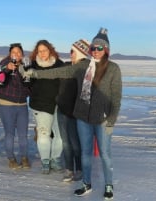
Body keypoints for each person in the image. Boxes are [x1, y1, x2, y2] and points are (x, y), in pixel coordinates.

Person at [20, 28, 122, 200]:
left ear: (106, 50)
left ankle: (109, 184)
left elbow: (116, 98)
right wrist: (35, 73)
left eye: (100, 48)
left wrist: (111, 120)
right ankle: (86, 183)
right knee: (85, 153)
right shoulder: (82, 66)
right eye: (94, 48)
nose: (96, 51)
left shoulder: (113, 69)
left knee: (105, 153)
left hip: (102, 119)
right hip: (82, 117)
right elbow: (58, 72)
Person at [27, 40, 65, 174]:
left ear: (50, 50)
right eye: (40, 51)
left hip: (58, 105)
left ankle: (55, 159)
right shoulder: (33, 66)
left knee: (59, 136)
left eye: (45, 50)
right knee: (44, 134)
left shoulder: (59, 64)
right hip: (40, 105)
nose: (42, 53)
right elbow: (27, 85)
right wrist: (24, 76)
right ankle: (45, 161)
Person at [58, 39, 90, 182]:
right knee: (65, 143)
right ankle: (69, 169)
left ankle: (79, 169)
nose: (71, 54)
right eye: (70, 51)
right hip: (62, 110)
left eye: (73, 52)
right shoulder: (65, 66)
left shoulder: (84, 71)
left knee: (76, 143)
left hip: (76, 113)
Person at [0, 43, 31, 169]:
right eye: (14, 52)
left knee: (23, 134)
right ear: (9, 54)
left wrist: (28, 89)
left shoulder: (25, 66)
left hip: (22, 104)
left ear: (22, 55)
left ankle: (24, 157)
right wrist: (7, 68)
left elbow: (29, 84)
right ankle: (11, 159)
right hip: (6, 104)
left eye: (19, 53)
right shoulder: (4, 64)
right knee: (10, 133)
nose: (16, 55)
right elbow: (0, 77)